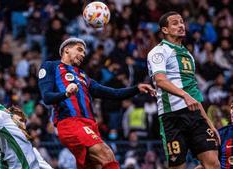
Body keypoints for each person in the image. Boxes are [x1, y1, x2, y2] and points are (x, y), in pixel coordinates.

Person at [38, 37, 155, 169]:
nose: (82, 54)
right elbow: (46, 97)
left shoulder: (83, 76)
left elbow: (113, 93)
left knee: (96, 165)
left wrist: (136, 88)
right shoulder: (51, 66)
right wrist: (66, 94)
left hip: (90, 125)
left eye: (84, 52)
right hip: (70, 122)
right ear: (66, 50)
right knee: (106, 154)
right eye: (79, 50)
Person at [147, 11, 220, 169]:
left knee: (213, 164)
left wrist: (209, 122)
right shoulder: (158, 52)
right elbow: (160, 80)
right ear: (165, 30)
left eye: (181, 22)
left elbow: (193, 92)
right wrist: (184, 95)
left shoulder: (188, 55)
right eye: (175, 23)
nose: (181, 25)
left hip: (195, 116)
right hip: (172, 117)